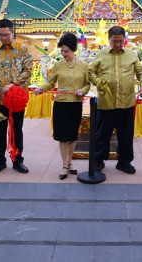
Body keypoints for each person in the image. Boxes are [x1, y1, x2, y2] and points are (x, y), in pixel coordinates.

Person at [89, 26, 142, 174]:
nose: (117, 44)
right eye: (114, 41)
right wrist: (97, 82)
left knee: (126, 134)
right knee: (102, 134)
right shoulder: (101, 54)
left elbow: (141, 72)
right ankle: (98, 161)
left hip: (126, 102)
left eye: (120, 41)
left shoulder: (131, 55)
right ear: (109, 40)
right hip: (106, 102)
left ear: (124, 40)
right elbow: (90, 72)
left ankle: (124, 161)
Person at [34, 33, 90, 180]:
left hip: (75, 104)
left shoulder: (83, 65)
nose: (63, 54)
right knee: (62, 137)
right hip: (61, 105)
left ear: (74, 50)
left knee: (72, 136)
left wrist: (82, 91)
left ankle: (71, 163)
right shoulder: (58, 65)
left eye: (66, 51)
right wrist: (42, 88)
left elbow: (87, 84)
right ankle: (64, 165)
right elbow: (51, 83)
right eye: (62, 51)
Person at [0, 19, 33, 175]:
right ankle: (0, 161)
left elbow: (28, 70)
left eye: (6, 35)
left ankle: (18, 161)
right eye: (0, 35)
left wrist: (13, 84)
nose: (4, 38)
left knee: (16, 130)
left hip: (15, 100)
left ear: (13, 32)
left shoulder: (23, 50)